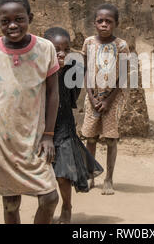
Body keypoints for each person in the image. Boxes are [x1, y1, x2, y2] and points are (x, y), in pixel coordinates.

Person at [0, 0, 60, 224]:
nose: (13, 25)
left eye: (19, 19)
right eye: (5, 21)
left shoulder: (45, 48)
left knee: (49, 198)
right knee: (11, 204)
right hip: (2, 139)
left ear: (30, 17)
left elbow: (53, 93)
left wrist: (48, 135)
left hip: (35, 137)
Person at [43, 27, 103, 224]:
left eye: (66, 50)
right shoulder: (38, 70)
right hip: (41, 129)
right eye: (55, 49)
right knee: (44, 173)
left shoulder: (73, 71)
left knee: (63, 174)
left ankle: (66, 206)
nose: (61, 54)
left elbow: (72, 98)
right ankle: (46, 209)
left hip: (63, 127)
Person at [81, 3, 130, 195]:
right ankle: (90, 175)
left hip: (114, 97)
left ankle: (109, 178)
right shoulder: (89, 43)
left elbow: (124, 74)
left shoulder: (121, 46)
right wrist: (92, 97)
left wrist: (109, 100)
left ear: (116, 24)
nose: (104, 24)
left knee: (110, 139)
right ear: (94, 23)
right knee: (90, 137)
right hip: (93, 96)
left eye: (108, 21)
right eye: (100, 21)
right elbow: (85, 70)